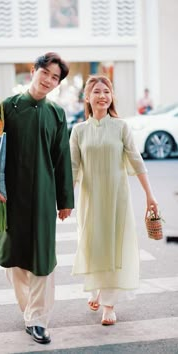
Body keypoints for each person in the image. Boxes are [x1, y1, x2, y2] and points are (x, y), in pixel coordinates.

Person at [0, 52, 74, 344]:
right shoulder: (6, 108)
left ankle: (37, 319)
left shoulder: (57, 114)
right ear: (33, 71)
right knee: (14, 258)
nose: (48, 80)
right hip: (11, 196)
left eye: (55, 78)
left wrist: (65, 200)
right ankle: (29, 312)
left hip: (44, 196)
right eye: (45, 73)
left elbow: (62, 158)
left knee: (43, 257)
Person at [70, 75, 158, 326]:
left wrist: (150, 196)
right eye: (96, 91)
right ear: (87, 98)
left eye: (106, 92)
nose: (102, 96)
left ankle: (108, 304)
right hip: (90, 199)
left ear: (111, 97)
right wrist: (62, 201)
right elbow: (72, 168)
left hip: (117, 198)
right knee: (93, 245)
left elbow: (136, 160)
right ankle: (97, 287)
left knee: (114, 246)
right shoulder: (78, 131)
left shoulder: (121, 127)